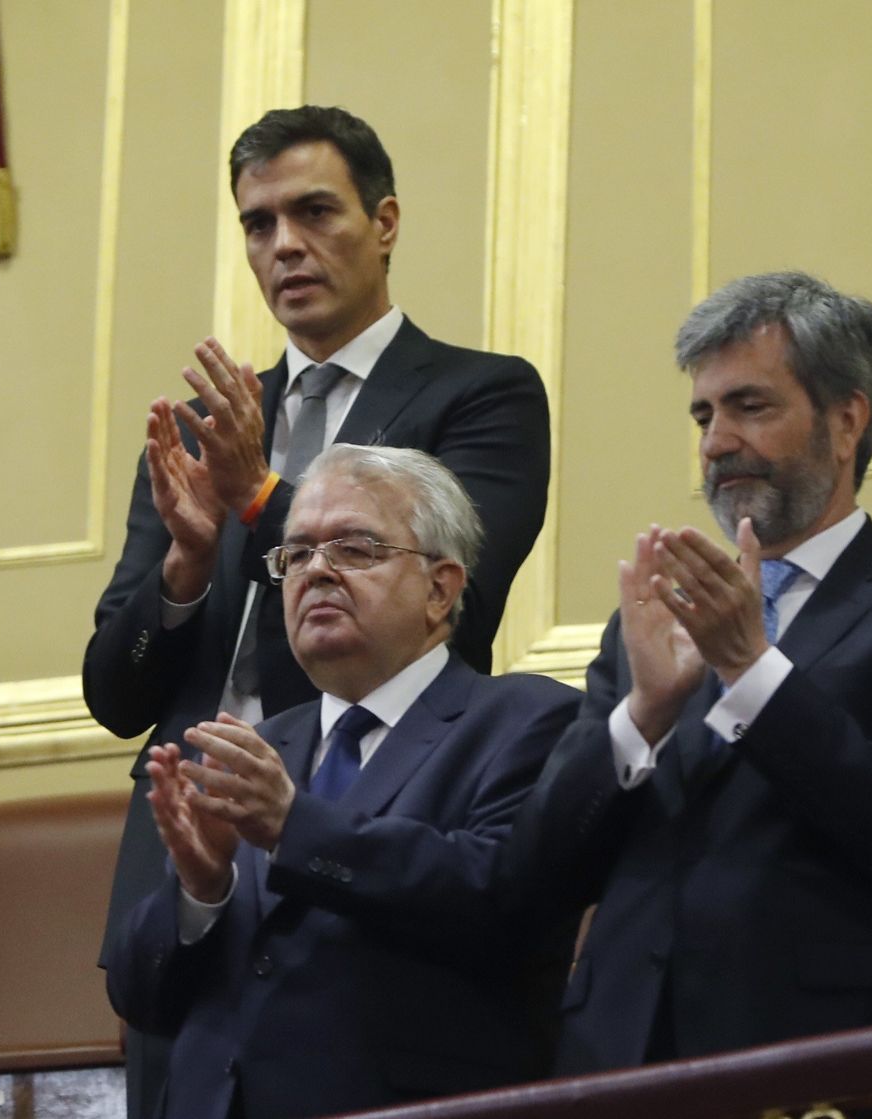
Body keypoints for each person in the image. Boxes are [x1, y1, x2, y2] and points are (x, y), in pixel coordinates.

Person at [83, 105, 550, 1115]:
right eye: (258, 223)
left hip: (370, 808)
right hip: (189, 835)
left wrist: (257, 502)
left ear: (383, 221)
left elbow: (452, 613)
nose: (283, 244)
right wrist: (189, 567)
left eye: (313, 211)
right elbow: (115, 692)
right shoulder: (204, 430)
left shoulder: (481, 397)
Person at [502, 271, 872, 1118]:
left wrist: (754, 671)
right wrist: (644, 716)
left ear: (847, 419)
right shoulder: (648, 622)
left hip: (817, 1073)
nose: (715, 442)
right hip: (619, 1068)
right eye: (704, 415)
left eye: (750, 406)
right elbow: (542, 869)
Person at [105, 445, 579, 1119]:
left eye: (355, 548)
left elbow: (499, 901)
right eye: (295, 555)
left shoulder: (526, 720)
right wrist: (200, 892)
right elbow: (138, 994)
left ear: (441, 588)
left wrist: (294, 827)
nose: (317, 570)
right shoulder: (257, 749)